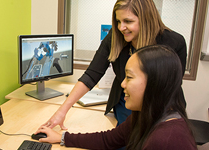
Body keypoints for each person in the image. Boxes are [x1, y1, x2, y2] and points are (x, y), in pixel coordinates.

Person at [42, 0, 187, 129]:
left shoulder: (174, 42)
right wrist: (62, 111)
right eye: (118, 21)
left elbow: (171, 87)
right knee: (121, 141)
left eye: (128, 21)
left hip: (162, 107)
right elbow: (92, 75)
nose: (121, 27)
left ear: (146, 20)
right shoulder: (115, 37)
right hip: (126, 103)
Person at [35, 45, 196, 150]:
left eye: (130, 77)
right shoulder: (148, 115)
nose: (123, 84)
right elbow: (109, 139)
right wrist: (62, 137)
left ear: (155, 83)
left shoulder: (165, 141)